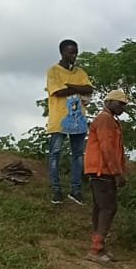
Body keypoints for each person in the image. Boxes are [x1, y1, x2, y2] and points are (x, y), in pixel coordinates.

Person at [45, 39, 95, 206]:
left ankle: (76, 190)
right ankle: (56, 189)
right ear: (62, 52)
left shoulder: (80, 72)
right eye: (70, 52)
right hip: (59, 118)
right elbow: (58, 91)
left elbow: (89, 89)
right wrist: (77, 88)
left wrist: (70, 86)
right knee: (55, 154)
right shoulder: (53, 71)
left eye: (75, 51)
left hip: (78, 119)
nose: (74, 55)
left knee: (78, 155)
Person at [82, 90, 130, 264]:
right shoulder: (105, 119)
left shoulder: (110, 120)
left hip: (100, 170)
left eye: (124, 105)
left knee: (101, 208)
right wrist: (118, 173)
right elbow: (107, 149)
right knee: (108, 208)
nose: (122, 108)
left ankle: (99, 246)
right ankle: (95, 250)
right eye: (120, 104)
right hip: (103, 171)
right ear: (109, 102)